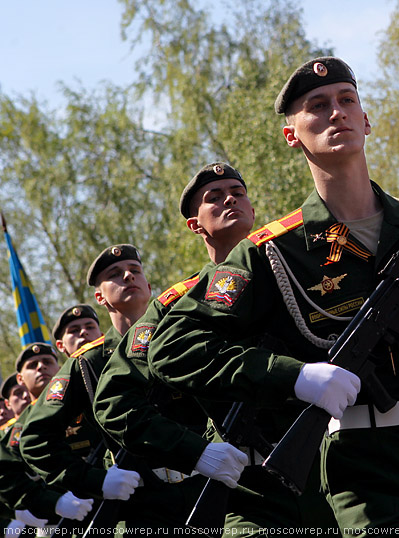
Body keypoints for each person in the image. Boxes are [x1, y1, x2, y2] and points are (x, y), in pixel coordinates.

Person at [148, 56, 399, 532]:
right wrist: (294, 377)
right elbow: (173, 348)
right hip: (373, 469)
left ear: (366, 120)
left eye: (346, 101)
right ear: (291, 134)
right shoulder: (273, 251)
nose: (336, 112)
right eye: (317, 106)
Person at [93, 163, 311, 533]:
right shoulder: (173, 305)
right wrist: (196, 451)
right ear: (195, 225)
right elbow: (114, 401)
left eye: (238, 193)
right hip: (247, 488)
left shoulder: (299, 270)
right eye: (214, 198)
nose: (230, 199)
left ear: (253, 211)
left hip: (333, 464)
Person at [19, 247, 153, 532]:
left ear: (149, 286)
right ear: (100, 297)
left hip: (215, 481)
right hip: (141, 506)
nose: (128, 276)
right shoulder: (88, 364)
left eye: (135, 270)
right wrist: (96, 481)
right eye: (115, 274)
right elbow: (34, 439)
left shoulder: (182, 334)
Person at [0, 344, 94, 532]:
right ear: (20, 379)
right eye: (32, 365)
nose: (41, 367)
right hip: (56, 522)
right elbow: (5, 473)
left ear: (59, 369)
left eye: (47, 362)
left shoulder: (86, 406)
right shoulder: (18, 430)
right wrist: (53, 503)